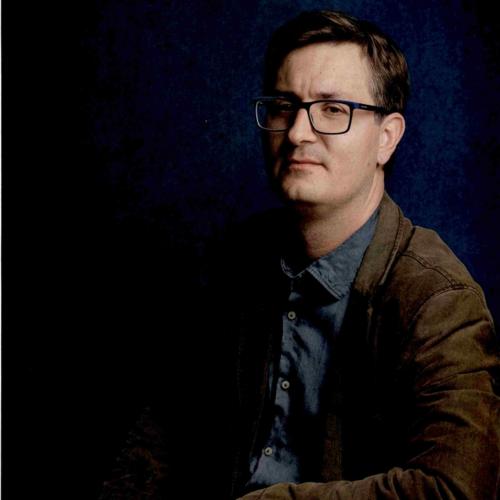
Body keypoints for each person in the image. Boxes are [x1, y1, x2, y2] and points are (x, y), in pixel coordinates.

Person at [100, 10, 500, 500]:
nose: (296, 133)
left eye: (332, 110)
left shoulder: (438, 300)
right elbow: (161, 438)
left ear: (387, 137)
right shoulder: (235, 262)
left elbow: (455, 489)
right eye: (283, 106)